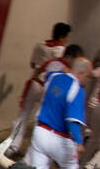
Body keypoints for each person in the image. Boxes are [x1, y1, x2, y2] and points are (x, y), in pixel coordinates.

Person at [24, 46, 88, 169]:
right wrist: (78, 142)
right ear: (81, 73)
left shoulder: (54, 77)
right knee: (71, 168)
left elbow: (46, 75)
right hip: (60, 139)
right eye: (87, 76)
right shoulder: (78, 89)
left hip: (40, 133)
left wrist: (64, 72)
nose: (87, 79)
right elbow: (72, 120)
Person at [9, 22, 69, 156]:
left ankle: (13, 146)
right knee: (41, 121)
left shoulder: (40, 45)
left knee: (23, 115)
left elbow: (32, 64)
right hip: (50, 88)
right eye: (67, 37)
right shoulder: (63, 51)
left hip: (35, 83)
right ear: (62, 36)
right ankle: (33, 153)